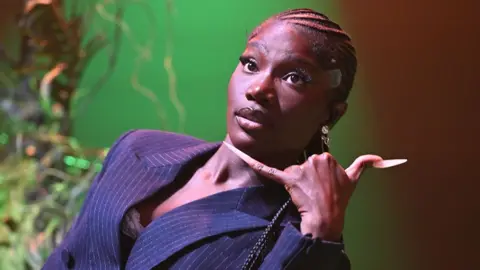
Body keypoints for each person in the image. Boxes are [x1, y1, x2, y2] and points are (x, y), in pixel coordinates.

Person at [43, 8, 384, 270]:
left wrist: (321, 231)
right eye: (251, 64)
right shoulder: (138, 149)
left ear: (332, 113)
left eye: (294, 77)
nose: (258, 89)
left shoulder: (295, 235)